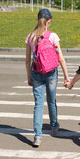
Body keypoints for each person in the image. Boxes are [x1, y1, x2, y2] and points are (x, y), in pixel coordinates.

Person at [25, 9, 70, 147]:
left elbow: (27, 60)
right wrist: (67, 77)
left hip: (36, 72)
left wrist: (29, 77)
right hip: (51, 73)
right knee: (51, 100)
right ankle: (54, 126)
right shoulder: (53, 36)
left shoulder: (31, 37)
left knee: (38, 104)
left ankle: (37, 136)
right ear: (49, 21)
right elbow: (60, 58)